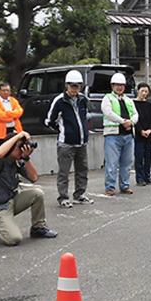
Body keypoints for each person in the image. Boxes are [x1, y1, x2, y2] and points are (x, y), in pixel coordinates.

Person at [0, 131, 57, 245]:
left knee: (37, 193)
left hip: (11, 200)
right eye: (19, 147)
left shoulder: (17, 161)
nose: (22, 149)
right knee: (14, 239)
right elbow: (0, 153)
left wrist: (26, 159)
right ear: (10, 147)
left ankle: (38, 228)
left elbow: (34, 177)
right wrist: (19, 135)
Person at [45, 70, 94, 207]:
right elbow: (49, 121)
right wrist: (62, 131)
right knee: (64, 172)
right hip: (65, 144)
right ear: (66, 85)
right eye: (72, 86)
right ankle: (63, 197)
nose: (74, 89)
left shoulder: (83, 99)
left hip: (82, 142)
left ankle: (79, 194)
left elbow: (85, 117)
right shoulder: (60, 101)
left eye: (77, 86)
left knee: (82, 170)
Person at [102, 72, 138, 195]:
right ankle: (110, 187)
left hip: (128, 135)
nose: (119, 87)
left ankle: (125, 185)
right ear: (112, 86)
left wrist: (131, 122)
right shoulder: (107, 98)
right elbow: (108, 113)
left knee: (127, 163)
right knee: (111, 163)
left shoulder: (128, 100)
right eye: (117, 85)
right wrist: (123, 122)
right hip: (113, 135)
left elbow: (135, 114)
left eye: (121, 85)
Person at [133, 82, 151, 186]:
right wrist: (141, 131)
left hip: (149, 134)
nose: (144, 93)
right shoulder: (133, 104)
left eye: (146, 91)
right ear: (138, 91)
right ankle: (139, 178)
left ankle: (147, 176)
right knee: (139, 157)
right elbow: (135, 119)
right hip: (139, 135)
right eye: (142, 91)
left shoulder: (149, 105)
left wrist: (150, 130)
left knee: (148, 157)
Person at [0, 83, 24, 149]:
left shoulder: (13, 100)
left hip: (14, 129)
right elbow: (0, 116)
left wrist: (8, 112)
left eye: (8, 90)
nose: (6, 92)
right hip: (0, 134)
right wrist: (13, 116)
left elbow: (19, 112)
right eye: (3, 90)